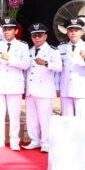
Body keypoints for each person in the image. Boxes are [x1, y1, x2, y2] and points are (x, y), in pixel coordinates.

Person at [0, 17, 31, 150]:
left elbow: (26, 65)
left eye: (10, 29)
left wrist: (11, 59)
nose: (7, 32)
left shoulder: (23, 46)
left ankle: (14, 141)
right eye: (5, 29)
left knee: (14, 115)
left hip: (14, 84)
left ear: (16, 31)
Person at [24, 23, 62, 153]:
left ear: (45, 36)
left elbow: (59, 67)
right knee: (31, 118)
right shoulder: (28, 50)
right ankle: (35, 140)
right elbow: (26, 72)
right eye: (34, 36)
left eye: (39, 35)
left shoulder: (53, 50)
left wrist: (46, 63)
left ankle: (46, 142)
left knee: (45, 119)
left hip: (45, 90)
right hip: (30, 90)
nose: (37, 38)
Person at [58, 18, 85, 130]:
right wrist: (57, 87)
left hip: (81, 89)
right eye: (70, 30)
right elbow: (58, 70)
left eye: (76, 30)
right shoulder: (61, 48)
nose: (73, 33)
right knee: (66, 121)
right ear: (67, 32)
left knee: (81, 121)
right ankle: (68, 145)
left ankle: (81, 145)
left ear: (82, 32)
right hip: (66, 89)